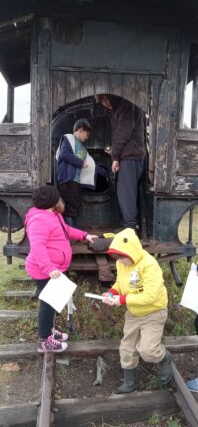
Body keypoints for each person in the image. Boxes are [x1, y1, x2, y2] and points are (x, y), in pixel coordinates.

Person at [25, 185, 97, 353]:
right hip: (44, 270)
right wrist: (49, 268)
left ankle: (49, 331)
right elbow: (37, 248)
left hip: (54, 268)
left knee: (54, 301)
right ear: (52, 201)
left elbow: (66, 230)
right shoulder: (39, 220)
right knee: (48, 304)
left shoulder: (53, 215)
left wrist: (84, 235)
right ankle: (44, 340)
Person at [102, 228, 172, 393]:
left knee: (148, 351)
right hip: (133, 312)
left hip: (154, 312)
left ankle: (164, 357)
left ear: (132, 251)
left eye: (122, 256)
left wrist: (121, 300)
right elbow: (120, 283)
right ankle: (130, 383)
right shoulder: (121, 263)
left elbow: (150, 296)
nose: (119, 260)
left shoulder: (149, 265)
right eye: (117, 256)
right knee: (127, 348)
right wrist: (112, 293)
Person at [97, 94, 145, 230]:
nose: (105, 104)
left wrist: (115, 157)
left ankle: (129, 228)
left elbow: (122, 134)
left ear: (113, 96)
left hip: (130, 158)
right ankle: (127, 225)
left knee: (126, 193)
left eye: (106, 99)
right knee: (125, 192)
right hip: (130, 156)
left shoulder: (127, 106)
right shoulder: (121, 108)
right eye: (102, 102)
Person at [56, 118, 107, 226]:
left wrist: (105, 172)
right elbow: (64, 154)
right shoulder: (68, 138)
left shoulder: (83, 149)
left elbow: (91, 166)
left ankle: (72, 231)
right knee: (69, 208)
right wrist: (80, 163)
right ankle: (69, 234)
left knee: (74, 207)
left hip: (76, 182)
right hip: (67, 180)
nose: (87, 137)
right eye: (86, 134)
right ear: (80, 129)